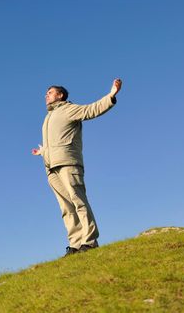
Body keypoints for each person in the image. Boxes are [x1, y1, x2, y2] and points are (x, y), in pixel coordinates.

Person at [32, 79, 122, 256]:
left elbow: (91, 110)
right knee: (66, 208)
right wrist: (43, 152)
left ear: (60, 95)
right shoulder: (48, 117)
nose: (46, 95)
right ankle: (75, 244)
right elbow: (58, 140)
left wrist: (111, 95)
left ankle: (89, 241)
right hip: (51, 167)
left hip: (68, 163)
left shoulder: (69, 109)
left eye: (50, 92)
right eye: (46, 93)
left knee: (78, 201)